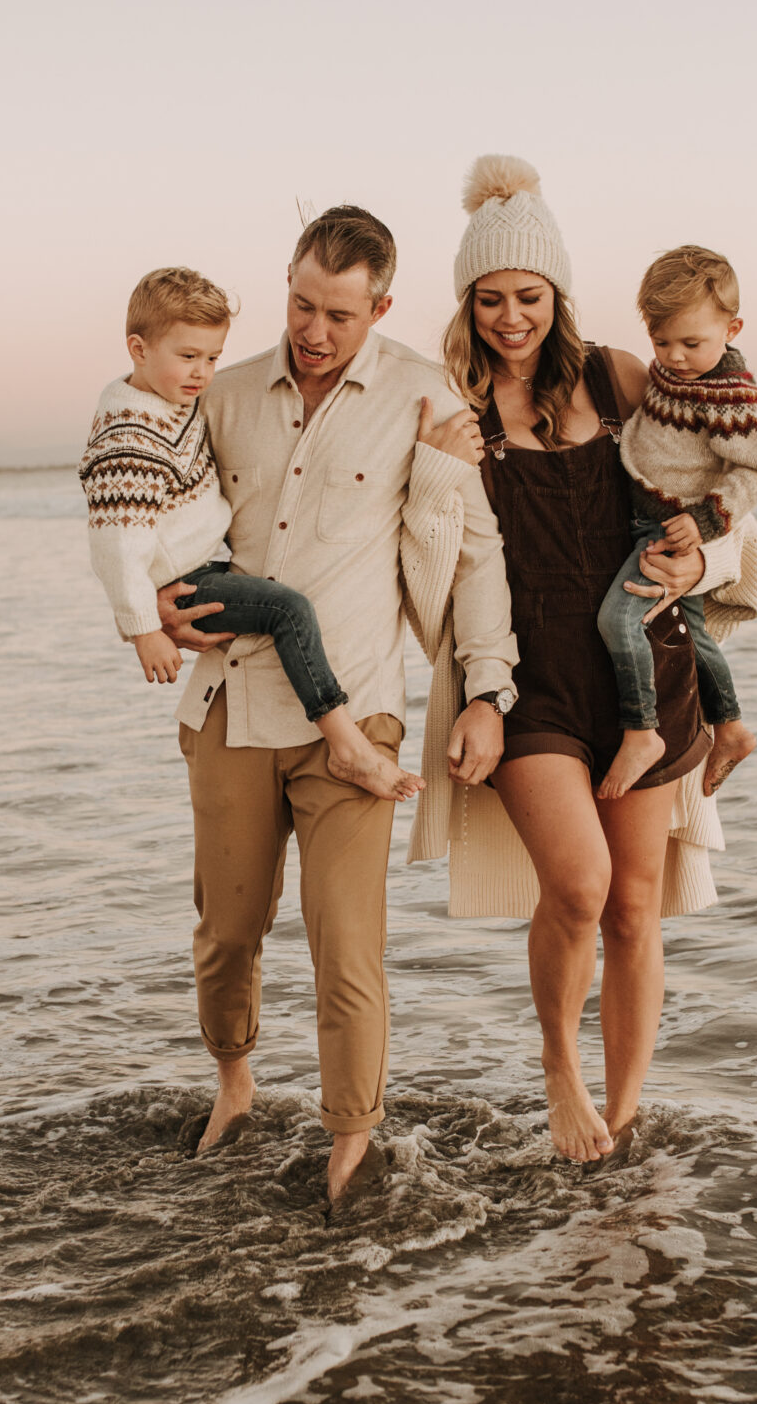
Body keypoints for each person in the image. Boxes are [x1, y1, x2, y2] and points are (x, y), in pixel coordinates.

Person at [155, 205, 516, 1204]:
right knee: (227, 928)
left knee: (344, 944)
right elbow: (163, 519)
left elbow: (476, 552)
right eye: (301, 304)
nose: (314, 331)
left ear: (382, 308)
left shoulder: (422, 399)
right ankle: (235, 1084)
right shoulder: (219, 395)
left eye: (339, 315)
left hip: (356, 716)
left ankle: (350, 1142)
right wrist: (162, 606)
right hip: (229, 703)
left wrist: (488, 689)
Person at [425, 156, 754, 1165]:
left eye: (528, 295)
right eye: (490, 299)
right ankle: (560, 1072)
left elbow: (726, 494)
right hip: (527, 686)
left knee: (633, 902)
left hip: (641, 670)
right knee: (576, 885)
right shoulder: (453, 412)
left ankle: (625, 1111)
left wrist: (708, 554)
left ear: (557, 294)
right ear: (467, 304)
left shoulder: (620, 379)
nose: (510, 317)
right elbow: (435, 566)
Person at [80, 265, 422, 802]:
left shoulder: (164, 400)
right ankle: (347, 744)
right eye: (187, 356)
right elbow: (116, 542)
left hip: (202, 566)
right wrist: (143, 627)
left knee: (280, 609)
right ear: (138, 349)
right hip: (187, 579)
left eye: (213, 358)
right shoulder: (131, 437)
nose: (202, 373)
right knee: (288, 611)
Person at [597, 245, 757, 799]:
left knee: (618, 621)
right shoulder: (676, 375)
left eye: (691, 342)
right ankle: (732, 728)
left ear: (732, 327)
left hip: (671, 533)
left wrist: (702, 523)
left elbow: (755, 473)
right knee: (693, 638)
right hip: (649, 520)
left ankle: (642, 730)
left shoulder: (728, 394)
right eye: (661, 341)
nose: (674, 356)